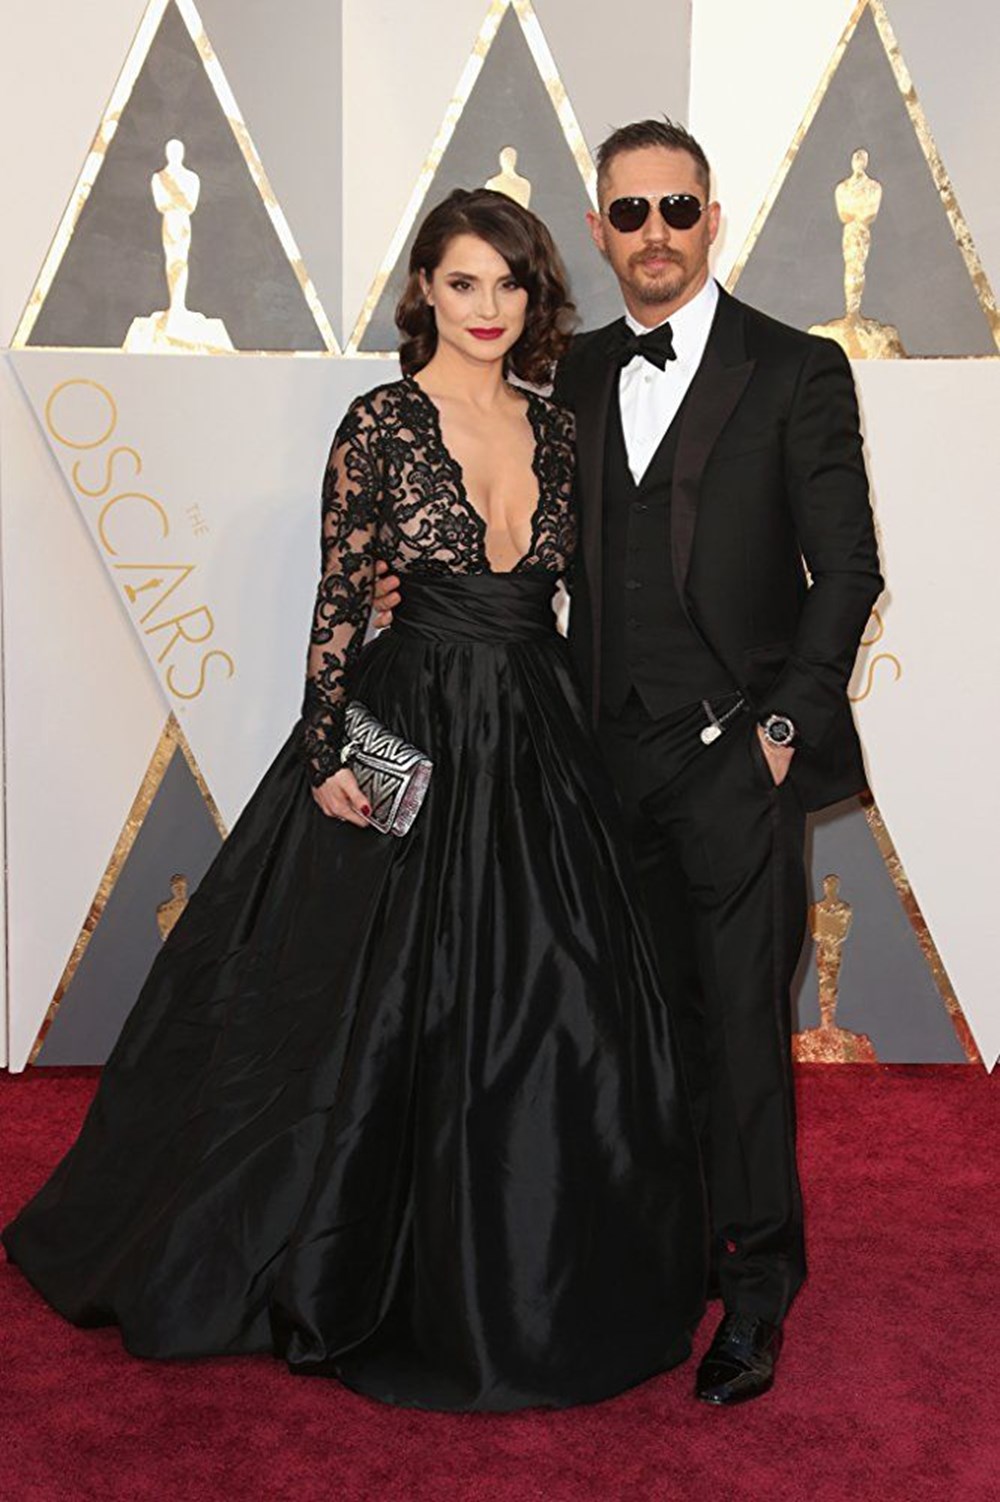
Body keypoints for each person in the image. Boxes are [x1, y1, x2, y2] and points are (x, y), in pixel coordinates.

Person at [3, 187, 707, 1413]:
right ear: (424, 289)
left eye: (509, 283)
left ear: (534, 295)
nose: (488, 307)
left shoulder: (558, 426)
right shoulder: (378, 423)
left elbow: (582, 600)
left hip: (537, 727)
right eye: (464, 281)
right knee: (358, 1000)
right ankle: (345, 1247)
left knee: (560, 997)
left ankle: (545, 1255)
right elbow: (339, 596)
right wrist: (328, 743)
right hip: (409, 719)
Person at [375, 121, 882, 1405]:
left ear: (712, 218)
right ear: (599, 231)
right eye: (630, 211)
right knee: (631, 1029)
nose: (655, 231)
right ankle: (664, 1255)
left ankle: (756, 1288)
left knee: (742, 1034)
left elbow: (848, 570)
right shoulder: (572, 374)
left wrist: (780, 732)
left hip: (737, 759)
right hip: (594, 761)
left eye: (677, 207)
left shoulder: (798, 368)